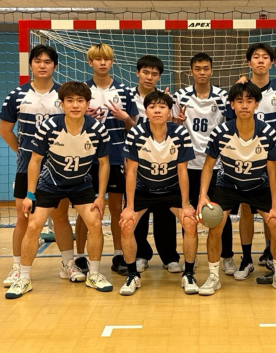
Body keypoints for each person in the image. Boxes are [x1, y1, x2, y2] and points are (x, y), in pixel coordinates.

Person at [5, 81, 113, 299]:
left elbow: (104, 163)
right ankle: (23, 278)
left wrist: (101, 196)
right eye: (70, 101)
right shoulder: (49, 127)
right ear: (61, 104)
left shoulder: (97, 129)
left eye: (80, 101)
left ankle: (93, 274)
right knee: (33, 225)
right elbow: (35, 161)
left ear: (87, 104)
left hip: (81, 183)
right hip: (50, 182)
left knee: (95, 223)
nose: (75, 105)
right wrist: (30, 194)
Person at [197, 82, 276, 295]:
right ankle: (213, 277)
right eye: (239, 101)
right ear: (232, 105)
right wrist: (202, 196)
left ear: (256, 104)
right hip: (228, 184)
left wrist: (275, 206)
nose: (244, 105)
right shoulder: (221, 132)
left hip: (258, 185)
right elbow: (208, 166)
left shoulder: (267, 133)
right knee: (215, 226)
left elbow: (272, 172)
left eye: (249, 101)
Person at [0, 45, 78, 289]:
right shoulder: (16, 95)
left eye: (47, 61)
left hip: (57, 170)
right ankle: (17, 268)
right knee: (23, 219)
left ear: (55, 66)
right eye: (37, 61)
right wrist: (25, 155)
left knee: (60, 217)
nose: (42, 65)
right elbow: (5, 130)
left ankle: (68, 264)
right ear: (31, 64)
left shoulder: (63, 96)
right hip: (27, 169)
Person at [119, 91, 198, 296]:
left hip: (171, 189)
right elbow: (131, 171)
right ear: (146, 111)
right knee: (126, 224)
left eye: (162, 107)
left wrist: (186, 204)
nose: (157, 110)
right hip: (143, 189)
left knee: (190, 222)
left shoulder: (179, 133)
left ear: (169, 111)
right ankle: (132, 275)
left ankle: (189, 274)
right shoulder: (136, 133)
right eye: (152, 106)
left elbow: (182, 171)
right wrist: (129, 206)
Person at [74, 44, 138, 276]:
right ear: (89, 62)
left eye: (107, 59)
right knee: (85, 210)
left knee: (116, 208)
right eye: (98, 59)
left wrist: (124, 118)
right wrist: (82, 117)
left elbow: (134, 128)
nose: (102, 63)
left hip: (116, 157)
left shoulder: (124, 91)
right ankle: (80, 257)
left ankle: (118, 255)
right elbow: (70, 124)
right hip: (86, 158)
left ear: (112, 62)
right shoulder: (81, 91)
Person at [234, 44, 276, 282]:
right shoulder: (239, 92)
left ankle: (270, 253)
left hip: (274, 160)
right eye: (256, 57)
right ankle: (246, 258)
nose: (260, 61)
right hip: (245, 161)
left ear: (272, 62)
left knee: (272, 208)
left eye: (265, 57)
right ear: (249, 63)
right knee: (246, 210)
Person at [172, 53, 237, 276]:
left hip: (216, 164)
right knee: (188, 214)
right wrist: (176, 122)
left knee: (221, 214)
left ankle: (226, 256)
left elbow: (231, 126)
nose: (202, 72)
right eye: (198, 68)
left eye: (206, 68)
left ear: (211, 71)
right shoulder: (180, 96)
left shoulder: (222, 96)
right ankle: (189, 257)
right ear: (191, 71)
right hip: (189, 164)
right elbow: (173, 127)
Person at [127, 56, 181, 274]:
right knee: (138, 212)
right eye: (146, 72)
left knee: (165, 214)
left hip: (164, 162)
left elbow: (172, 127)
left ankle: (169, 256)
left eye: (155, 74)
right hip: (137, 160)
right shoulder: (127, 96)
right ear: (137, 72)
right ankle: (141, 254)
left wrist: (176, 121)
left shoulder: (166, 98)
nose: (150, 77)